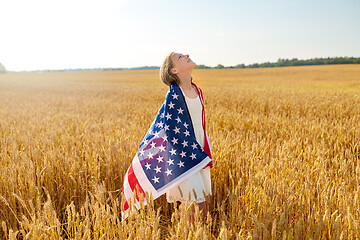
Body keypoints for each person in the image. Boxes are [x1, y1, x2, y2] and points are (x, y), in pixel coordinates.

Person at [160, 52, 213, 222]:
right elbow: (171, 130)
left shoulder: (197, 90)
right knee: (199, 207)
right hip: (184, 156)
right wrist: (190, 152)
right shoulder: (174, 95)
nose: (187, 54)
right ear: (174, 70)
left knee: (197, 205)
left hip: (199, 152)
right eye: (180, 57)